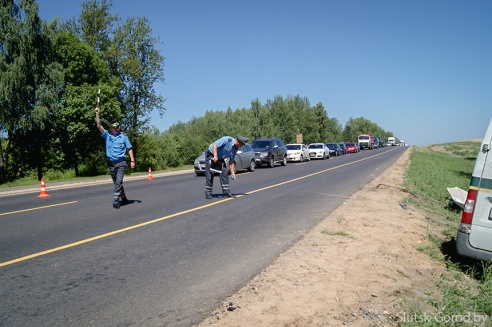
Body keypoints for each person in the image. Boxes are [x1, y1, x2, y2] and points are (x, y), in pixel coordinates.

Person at [95, 104, 136, 208]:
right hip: (111, 163)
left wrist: (132, 161)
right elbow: (98, 125)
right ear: (111, 128)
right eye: (115, 127)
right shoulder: (107, 136)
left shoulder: (123, 137)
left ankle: (115, 201)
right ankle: (124, 199)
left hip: (121, 163)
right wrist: (97, 114)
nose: (117, 129)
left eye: (118, 127)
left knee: (118, 182)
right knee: (117, 183)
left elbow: (129, 148)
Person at [205, 134, 249, 199]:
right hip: (212, 154)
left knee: (224, 172)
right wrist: (215, 156)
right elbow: (214, 145)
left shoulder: (235, 149)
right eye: (240, 145)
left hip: (220, 158)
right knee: (210, 173)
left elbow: (232, 161)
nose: (240, 147)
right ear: (237, 142)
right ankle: (208, 193)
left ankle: (226, 192)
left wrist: (232, 172)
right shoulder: (227, 140)